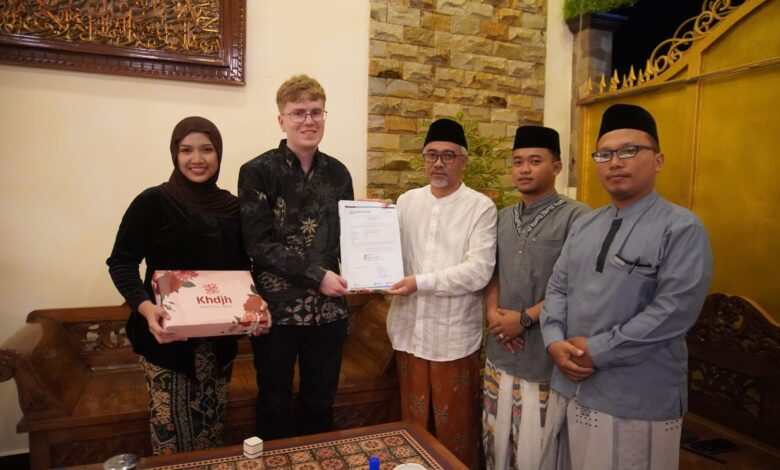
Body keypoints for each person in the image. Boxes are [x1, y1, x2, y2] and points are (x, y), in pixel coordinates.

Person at [539, 104, 713, 470]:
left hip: (634, 394)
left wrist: (598, 350)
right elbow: (557, 288)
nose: (615, 162)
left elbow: (673, 312)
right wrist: (553, 341)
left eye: (629, 151)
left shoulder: (681, 228)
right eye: (604, 154)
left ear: (658, 160)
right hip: (568, 383)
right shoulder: (586, 224)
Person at [107, 116, 269, 454]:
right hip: (166, 342)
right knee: (173, 440)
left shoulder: (234, 208)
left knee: (212, 433)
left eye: (207, 149)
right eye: (187, 150)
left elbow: (245, 268)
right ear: (175, 154)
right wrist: (145, 307)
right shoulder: (154, 201)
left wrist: (256, 306)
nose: (198, 159)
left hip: (218, 344)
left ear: (219, 153)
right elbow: (121, 262)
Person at [238, 75, 354, 439]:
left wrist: (372, 223)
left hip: (329, 312)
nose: (308, 120)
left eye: (316, 112)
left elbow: (347, 237)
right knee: (274, 403)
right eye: (298, 112)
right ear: (281, 120)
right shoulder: (257, 172)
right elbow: (258, 244)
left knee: (321, 403)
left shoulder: (339, 173)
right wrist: (317, 275)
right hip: (276, 314)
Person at [386, 118, 497, 469]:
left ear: (464, 161)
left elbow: (478, 271)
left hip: (452, 337)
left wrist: (421, 282)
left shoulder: (480, 207)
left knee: (455, 430)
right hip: (409, 331)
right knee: (412, 426)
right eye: (431, 154)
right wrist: (368, 220)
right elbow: (387, 254)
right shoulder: (406, 202)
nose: (438, 163)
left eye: (448, 155)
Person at [483, 126, 589, 470]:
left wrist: (525, 319)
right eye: (518, 162)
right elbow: (492, 272)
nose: (524, 169)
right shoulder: (502, 217)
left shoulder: (578, 217)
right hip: (501, 348)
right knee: (497, 442)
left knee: (537, 448)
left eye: (534, 161)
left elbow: (577, 285)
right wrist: (493, 313)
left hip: (544, 354)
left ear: (556, 167)